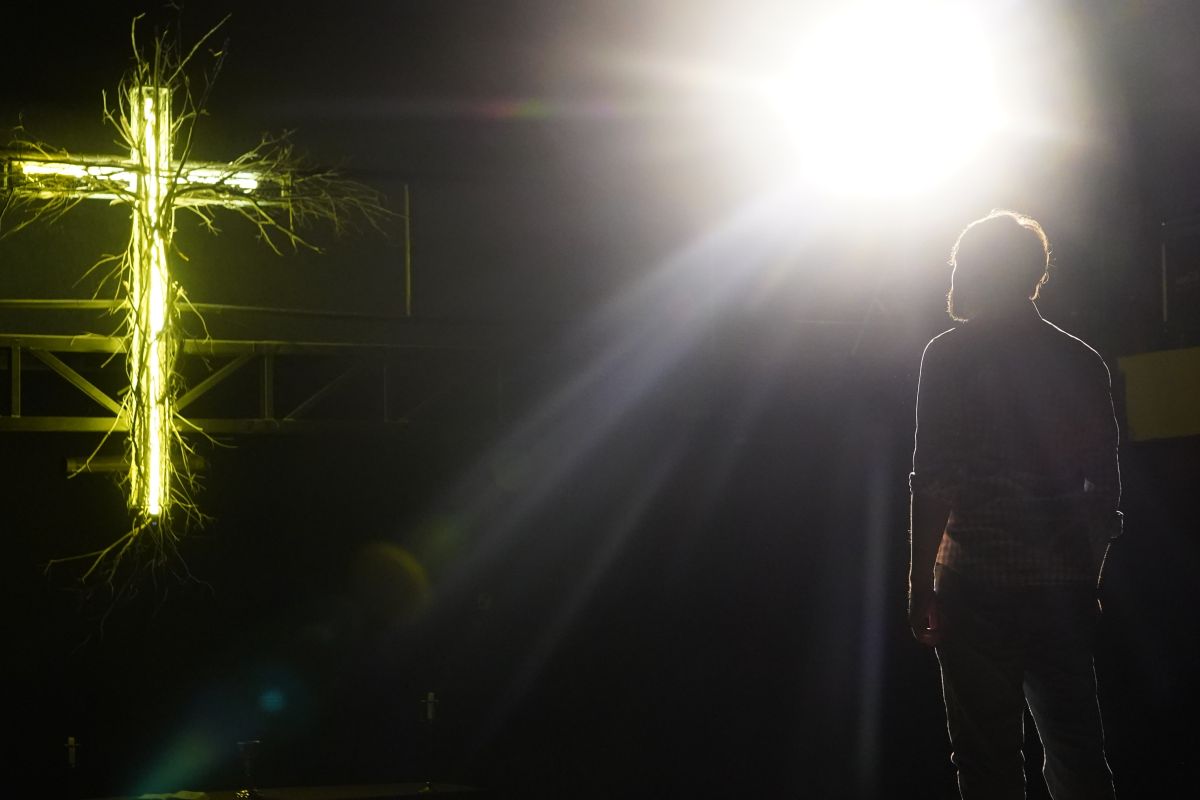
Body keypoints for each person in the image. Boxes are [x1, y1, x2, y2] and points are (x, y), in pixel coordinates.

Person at [908, 210, 1123, 799]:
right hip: (1061, 590)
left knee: (986, 764)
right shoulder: (1081, 361)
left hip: (974, 586)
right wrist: (1086, 577)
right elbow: (1103, 491)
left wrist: (920, 585)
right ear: (1034, 273)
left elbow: (935, 481)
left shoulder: (949, 356)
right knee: (1078, 754)